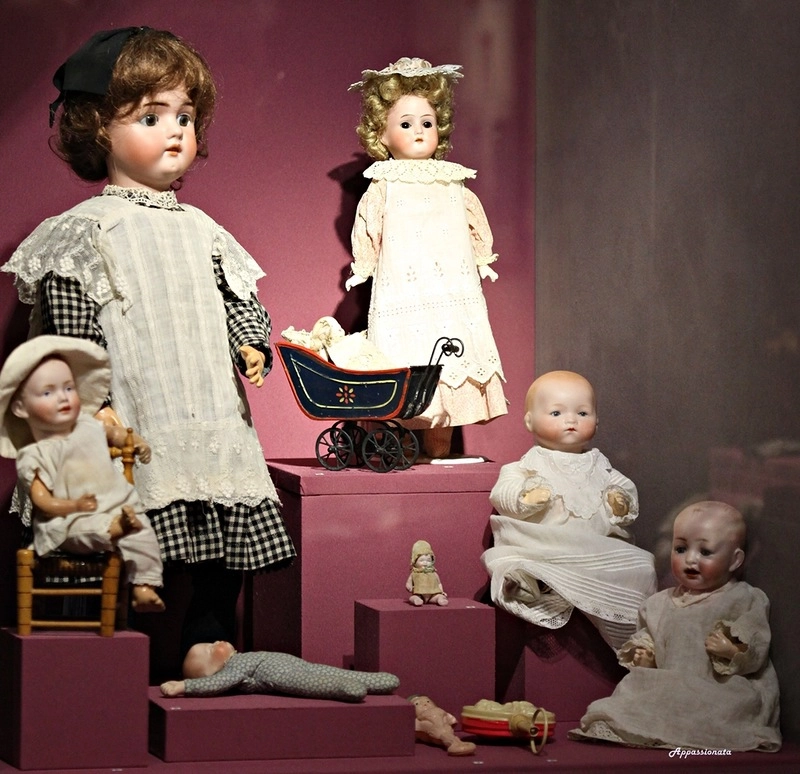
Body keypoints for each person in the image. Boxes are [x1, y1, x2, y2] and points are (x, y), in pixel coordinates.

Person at [2, 27, 295, 655]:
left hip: (207, 406)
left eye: (184, 117)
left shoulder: (204, 230)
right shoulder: (84, 229)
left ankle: (207, 636)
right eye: (151, 117)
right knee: (108, 529)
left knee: (219, 526)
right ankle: (93, 646)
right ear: (99, 129)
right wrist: (91, 399)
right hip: (131, 410)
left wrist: (249, 343)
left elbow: (237, 298)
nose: (175, 132)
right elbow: (68, 326)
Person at [346, 57, 507, 459]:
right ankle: (401, 445)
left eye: (427, 123)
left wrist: (482, 257)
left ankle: (439, 448)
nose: (418, 131)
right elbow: (369, 225)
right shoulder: (384, 184)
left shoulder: (453, 182)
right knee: (406, 358)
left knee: (451, 362)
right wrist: (363, 265)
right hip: (404, 289)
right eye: (405, 124)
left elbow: (473, 218)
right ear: (381, 134)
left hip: (451, 290)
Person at [569, 501, 781, 752]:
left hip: (715, 687)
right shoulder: (657, 604)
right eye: (680, 549)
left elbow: (757, 644)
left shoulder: (743, 598)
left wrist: (732, 650)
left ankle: (696, 729)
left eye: (705, 552)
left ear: (735, 560)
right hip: (670, 684)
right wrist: (647, 657)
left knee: (731, 704)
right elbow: (649, 636)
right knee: (633, 689)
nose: (690, 559)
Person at [481, 371, 656, 649]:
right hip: (544, 545)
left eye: (583, 413)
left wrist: (620, 501)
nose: (571, 420)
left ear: (597, 422)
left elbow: (625, 488)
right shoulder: (525, 466)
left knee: (643, 565)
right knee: (520, 562)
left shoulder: (602, 467)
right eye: (556, 413)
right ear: (529, 421)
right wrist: (524, 497)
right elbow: (503, 492)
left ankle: (635, 641)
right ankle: (528, 584)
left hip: (594, 549)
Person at [0, 335, 164, 611]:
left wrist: (134, 441)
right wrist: (73, 505)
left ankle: (143, 586)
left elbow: (114, 433)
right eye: (48, 393)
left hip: (107, 512)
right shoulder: (36, 453)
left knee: (142, 532)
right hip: (65, 524)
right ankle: (116, 530)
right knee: (92, 529)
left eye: (69, 388)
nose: (63, 397)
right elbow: (41, 498)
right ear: (20, 407)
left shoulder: (87, 426)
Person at [159, 641, 400, 703]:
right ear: (214, 669)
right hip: (277, 675)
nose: (217, 642)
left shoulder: (239, 658)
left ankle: (377, 681)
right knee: (313, 683)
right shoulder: (233, 669)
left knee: (324, 670)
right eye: (212, 648)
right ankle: (345, 690)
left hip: (294, 663)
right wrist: (184, 686)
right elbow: (217, 684)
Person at [408, 694, 476, 756]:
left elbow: (452, 721)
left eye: (428, 701)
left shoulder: (441, 712)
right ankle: (452, 742)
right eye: (417, 704)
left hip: (445, 731)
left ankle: (455, 742)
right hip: (434, 736)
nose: (424, 704)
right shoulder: (418, 720)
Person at [406, 539, 447, 606]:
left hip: (433, 595)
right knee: (413, 597)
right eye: (422, 560)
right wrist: (409, 586)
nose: (425, 563)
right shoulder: (414, 573)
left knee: (439, 596)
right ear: (414, 561)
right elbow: (409, 582)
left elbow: (439, 583)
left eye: (428, 560)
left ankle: (440, 599)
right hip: (419, 594)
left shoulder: (433, 573)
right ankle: (416, 600)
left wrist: (441, 591)